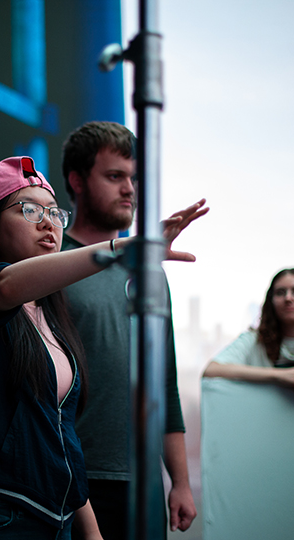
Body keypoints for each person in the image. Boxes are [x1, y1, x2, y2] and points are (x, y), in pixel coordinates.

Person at [0, 156, 203, 539]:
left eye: (55, 214)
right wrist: (119, 250)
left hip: (54, 520)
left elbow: (63, 439)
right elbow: (8, 285)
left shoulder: (51, 318)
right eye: (28, 210)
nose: (47, 223)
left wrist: (90, 533)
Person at [60, 121, 206, 537]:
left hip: (143, 483)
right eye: (114, 176)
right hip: (75, 483)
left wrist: (178, 481)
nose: (129, 189)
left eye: (134, 179)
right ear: (78, 180)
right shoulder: (52, 264)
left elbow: (166, 383)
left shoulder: (151, 274)